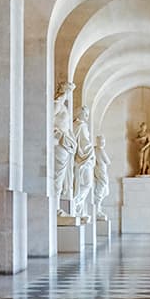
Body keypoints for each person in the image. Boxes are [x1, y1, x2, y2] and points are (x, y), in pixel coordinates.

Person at [53, 81, 77, 216]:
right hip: (59, 143)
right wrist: (58, 133)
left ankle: (56, 208)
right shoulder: (57, 104)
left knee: (60, 179)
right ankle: (55, 209)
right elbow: (48, 121)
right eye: (68, 92)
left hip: (66, 144)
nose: (69, 95)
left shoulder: (62, 106)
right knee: (57, 178)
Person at [73, 106, 96, 218]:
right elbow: (83, 143)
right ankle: (76, 205)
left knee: (85, 183)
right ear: (79, 114)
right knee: (86, 183)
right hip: (82, 159)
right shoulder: (80, 126)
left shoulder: (79, 125)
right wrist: (91, 151)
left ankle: (78, 207)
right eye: (85, 114)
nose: (87, 117)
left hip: (84, 159)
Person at [94, 135, 111, 220]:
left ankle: (98, 208)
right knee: (101, 190)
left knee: (102, 190)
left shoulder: (95, 149)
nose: (103, 143)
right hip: (101, 170)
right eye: (102, 142)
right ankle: (97, 210)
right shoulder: (100, 150)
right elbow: (108, 161)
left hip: (98, 170)